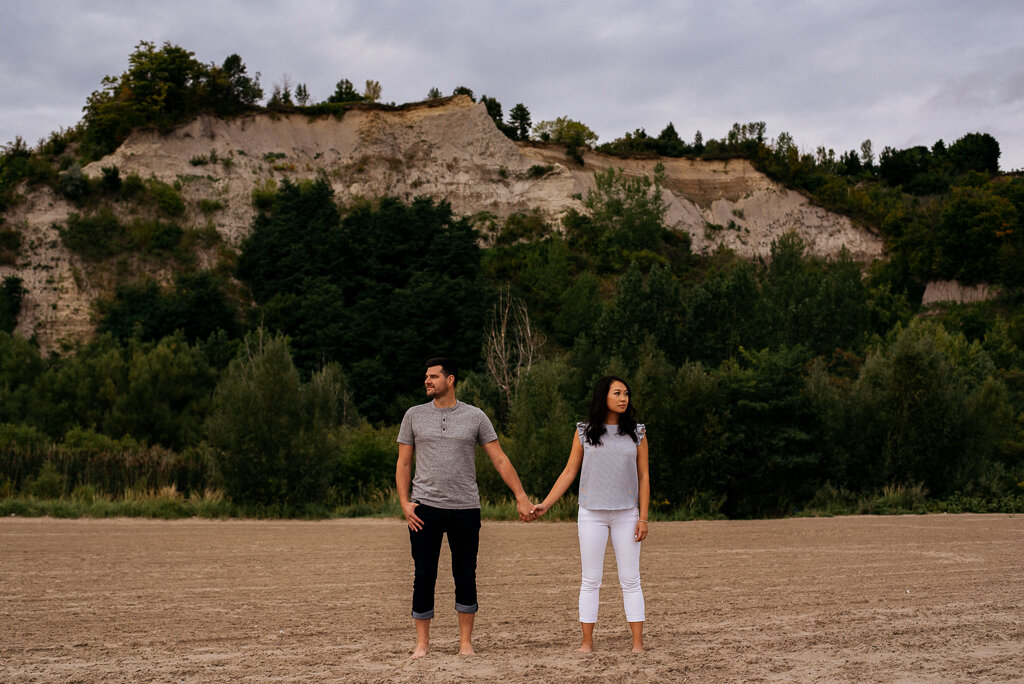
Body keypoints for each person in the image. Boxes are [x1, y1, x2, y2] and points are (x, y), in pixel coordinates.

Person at [396, 357, 535, 659]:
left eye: (433, 376)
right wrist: (405, 502)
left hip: (466, 508)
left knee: (465, 574)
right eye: (426, 376)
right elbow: (404, 462)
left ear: (450, 380)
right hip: (424, 508)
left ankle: (465, 644)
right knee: (424, 575)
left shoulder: (475, 416)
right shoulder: (413, 416)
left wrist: (520, 495)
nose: (427, 381)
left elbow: (499, 458)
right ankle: (422, 644)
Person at [531, 375, 650, 653]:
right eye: (617, 393)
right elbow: (569, 472)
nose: (623, 398)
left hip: (627, 515)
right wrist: (545, 504)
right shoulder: (584, 431)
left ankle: (637, 643)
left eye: (626, 393)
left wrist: (643, 517)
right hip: (591, 514)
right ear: (603, 396)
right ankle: (586, 643)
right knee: (590, 580)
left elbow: (644, 476)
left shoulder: (638, 433)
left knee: (631, 580)